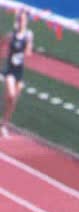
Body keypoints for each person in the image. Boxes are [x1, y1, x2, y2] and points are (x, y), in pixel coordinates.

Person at [1, 10, 34, 138]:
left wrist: (28, 43)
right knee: (10, 94)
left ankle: (4, 124)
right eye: (20, 20)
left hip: (19, 71)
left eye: (23, 20)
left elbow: (28, 53)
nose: (21, 22)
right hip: (10, 69)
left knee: (12, 101)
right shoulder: (12, 34)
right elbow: (2, 43)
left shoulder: (28, 35)